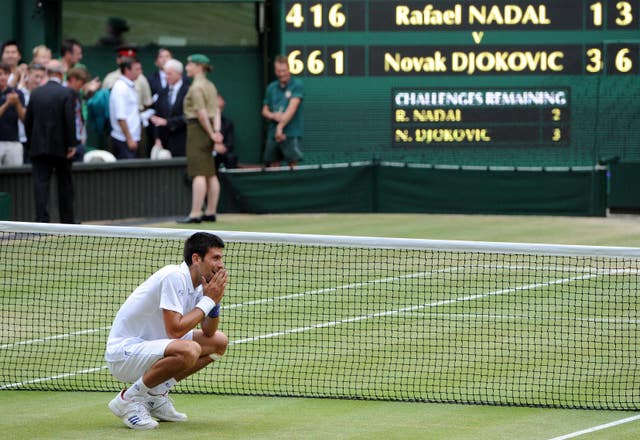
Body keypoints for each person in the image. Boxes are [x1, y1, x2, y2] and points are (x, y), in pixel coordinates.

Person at [105, 232, 228, 430]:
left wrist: (214, 302)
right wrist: (207, 301)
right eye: (216, 258)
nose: (221, 264)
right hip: (124, 355)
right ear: (196, 259)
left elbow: (208, 332)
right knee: (189, 350)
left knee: (218, 342)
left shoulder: (199, 285)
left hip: (152, 349)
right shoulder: (174, 276)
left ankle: (155, 395)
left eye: (221, 258)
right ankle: (128, 399)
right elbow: (175, 331)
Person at [24, 60, 78, 223]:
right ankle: (67, 221)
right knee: (65, 185)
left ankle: (42, 221)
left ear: (47, 74)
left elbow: (28, 122)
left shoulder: (36, 93)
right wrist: (72, 144)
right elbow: (70, 121)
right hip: (61, 149)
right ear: (61, 75)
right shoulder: (67, 93)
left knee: (40, 185)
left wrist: (31, 142)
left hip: (39, 148)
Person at [178, 54, 223, 224]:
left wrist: (212, 133)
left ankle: (196, 213)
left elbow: (202, 113)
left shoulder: (196, 87)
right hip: (208, 129)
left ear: (198, 66)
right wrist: (216, 132)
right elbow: (216, 111)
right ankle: (210, 212)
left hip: (198, 130)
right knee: (210, 173)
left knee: (198, 173)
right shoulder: (210, 85)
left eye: (189, 64)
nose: (187, 67)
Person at [261, 55, 304, 168]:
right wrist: (273, 115)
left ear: (289, 69)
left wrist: (280, 127)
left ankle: (294, 185)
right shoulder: (271, 88)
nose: (281, 74)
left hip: (291, 132)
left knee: (293, 164)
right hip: (273, 134)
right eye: (278, 71)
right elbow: (264, 110)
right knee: (272, 164)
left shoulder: (297, 85)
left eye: (284, 70)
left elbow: (292, 108)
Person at [150, 59, 189, 157]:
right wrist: (157, 138)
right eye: (165, 74)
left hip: (183, 142)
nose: (166, 77)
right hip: (165, 143)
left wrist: (168, 122)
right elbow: (157, 117)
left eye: (169, 74)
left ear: (179, 74)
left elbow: (188, 117)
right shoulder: (162, 92)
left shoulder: (188, 92)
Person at [109, 57, 142, 159]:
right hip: (124, 141)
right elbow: (121, 116)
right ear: (127, 70)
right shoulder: (121, 88)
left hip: (130, 139)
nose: (140, 72)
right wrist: (129, 139)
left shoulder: (129, 86)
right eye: (137, 69)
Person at [0, 62, 26, 166]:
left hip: (13, 142)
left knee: (15, 177)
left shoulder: (17, 93)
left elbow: (24, 119)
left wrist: (17, 103)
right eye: (0, 74)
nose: (2, 77)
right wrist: (7, 104)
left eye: (5, 74)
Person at [214, 94, 238, 170]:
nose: (218, 110)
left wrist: (222, 148)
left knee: (230, 157)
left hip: (221, 153)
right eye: (216, 107)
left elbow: (230, 143)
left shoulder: (227, 123)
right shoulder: (203, 122)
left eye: (220, 108)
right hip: (206, 152)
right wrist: (213, 147)